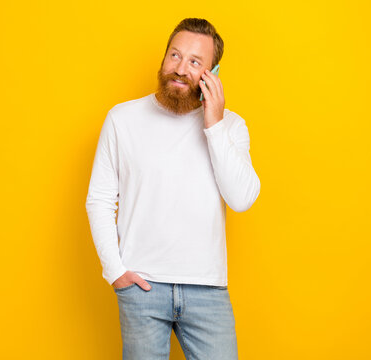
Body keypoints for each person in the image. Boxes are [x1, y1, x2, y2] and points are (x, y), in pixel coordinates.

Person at [85, 17, 260, 360]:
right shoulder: (122, 119)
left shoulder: (231, 126)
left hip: (207, 290)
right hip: (142, 291)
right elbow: (100, 199)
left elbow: (242, 199)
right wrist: (116, 272)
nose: (181, 69)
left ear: (214, 72)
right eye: (175, 56)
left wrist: (214, 124)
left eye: (196, 62)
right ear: (164, 57)